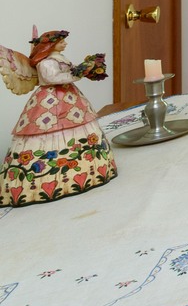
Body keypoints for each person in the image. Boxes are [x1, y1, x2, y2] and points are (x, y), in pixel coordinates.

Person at [1, 27, 116, 206]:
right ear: (52, 45)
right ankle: (46, 181)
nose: (65, 44)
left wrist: (82, 70)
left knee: (79, 122)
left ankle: (89, 169)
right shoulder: (45, 63)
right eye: (61, 42)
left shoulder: (57, 58)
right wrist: (77, 74)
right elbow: (54, 78)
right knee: (48, 128)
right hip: (51, 100)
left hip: (68, 97)